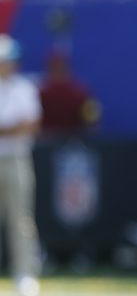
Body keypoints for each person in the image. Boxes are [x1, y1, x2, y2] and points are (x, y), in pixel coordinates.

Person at [0, 34, 42, 296]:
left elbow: (30, 125)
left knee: (21, 218)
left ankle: (25, 273)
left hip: (16, 160)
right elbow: (19, 125)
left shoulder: (25, 88)